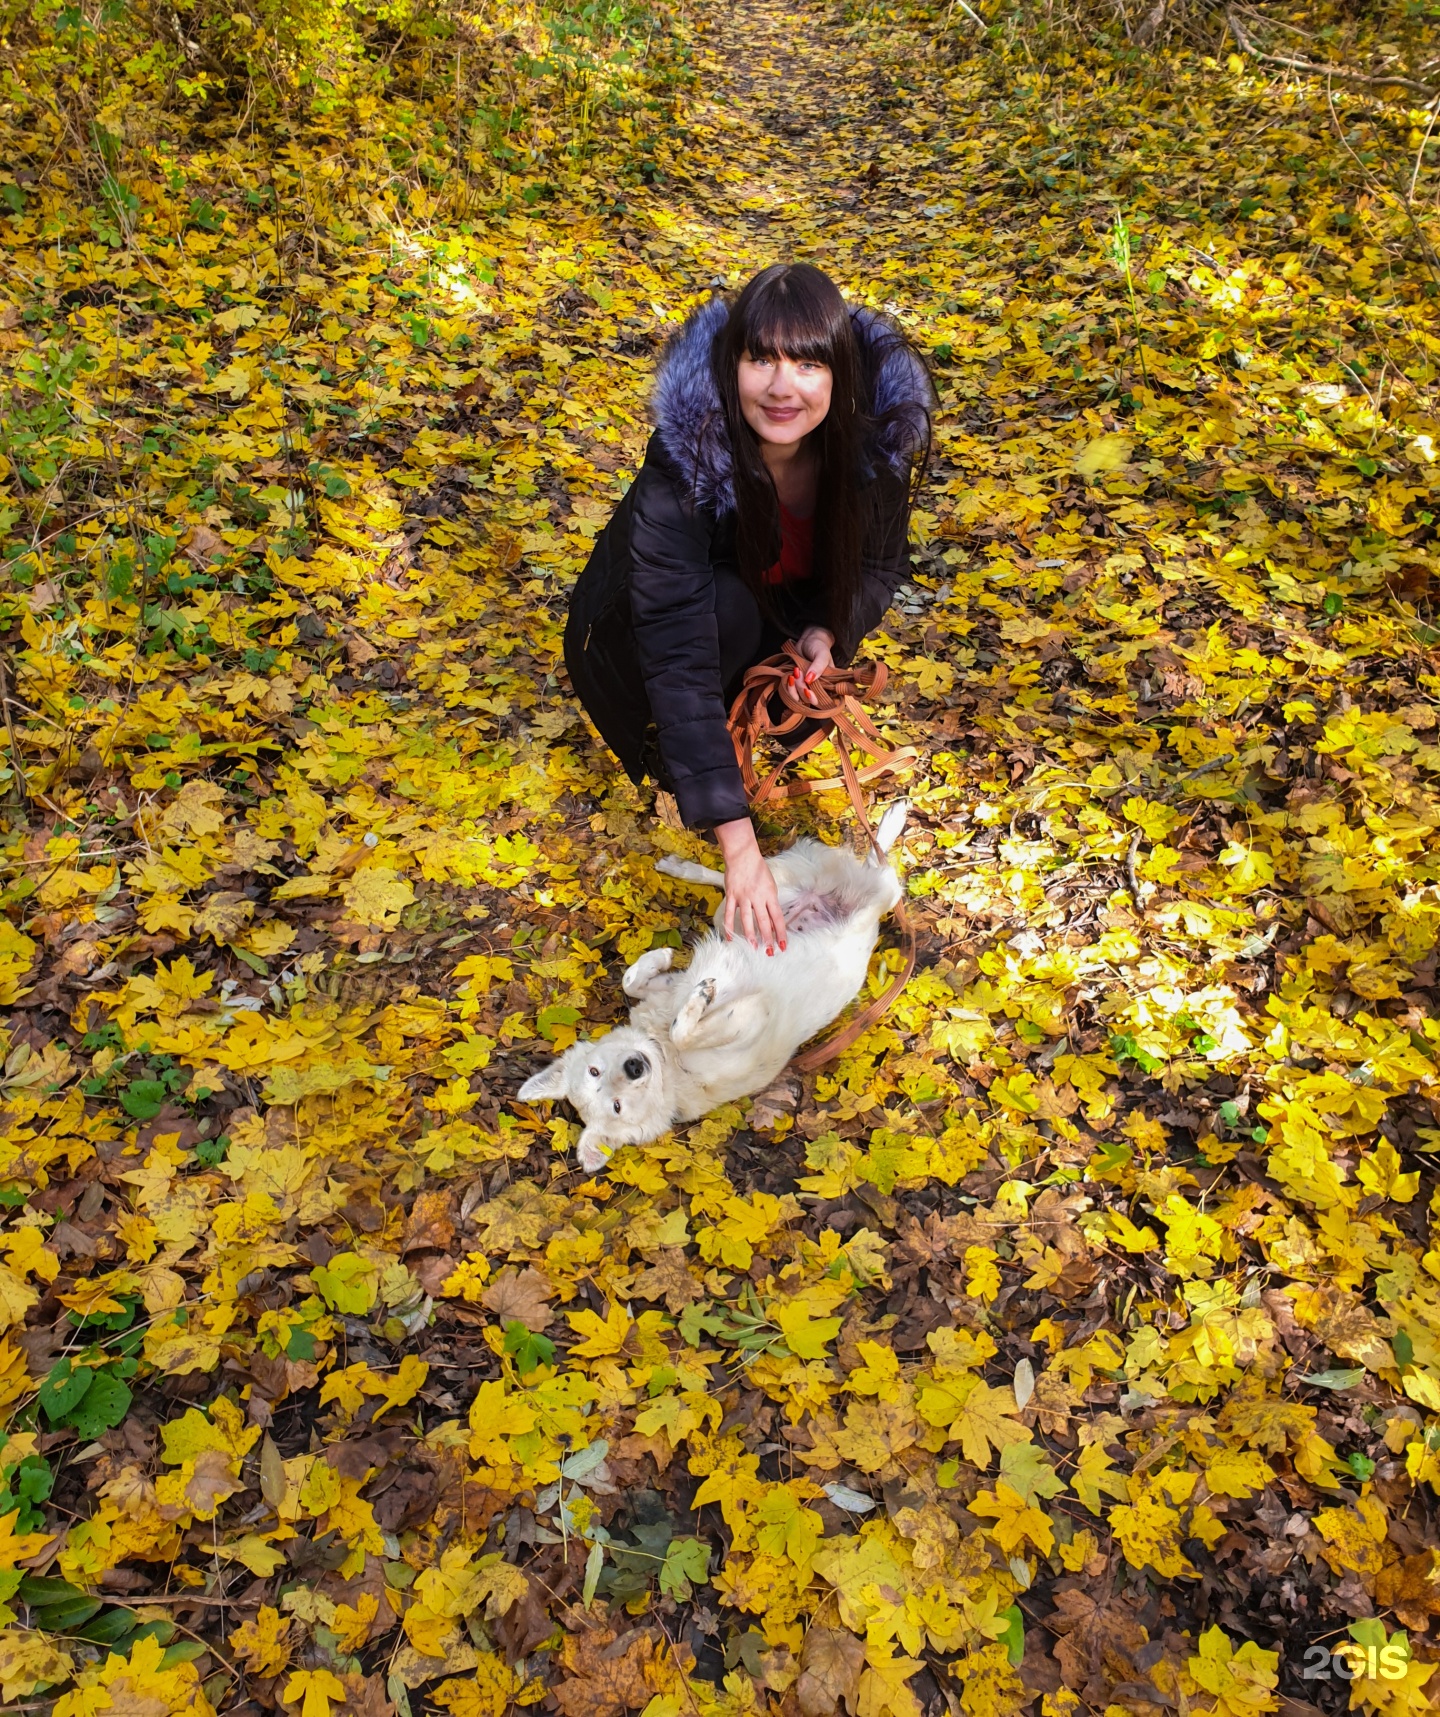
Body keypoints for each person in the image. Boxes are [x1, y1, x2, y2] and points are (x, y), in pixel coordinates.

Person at [564, 262, 935, 956]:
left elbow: (877, 567)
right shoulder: (686, 463)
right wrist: (737, 846)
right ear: (732, 363)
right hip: (624, 645)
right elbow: (674, 650)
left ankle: (741, 718)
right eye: (760, 357)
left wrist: (826, 633)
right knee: (725, 611)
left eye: (807, 363)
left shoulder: (871, 451)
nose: (781, 385)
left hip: (764, 604)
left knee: (768, 644)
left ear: (842, 375)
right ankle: (679, 765)